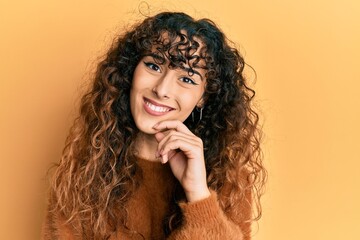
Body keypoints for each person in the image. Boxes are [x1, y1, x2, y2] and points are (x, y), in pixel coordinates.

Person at [42, 11, 266, 240]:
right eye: (154, 66)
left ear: (203, 97)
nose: (162, 89)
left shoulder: (230, 179)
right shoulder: (84, 173)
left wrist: (199, 195)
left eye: (187, 79)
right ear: (131, 70)